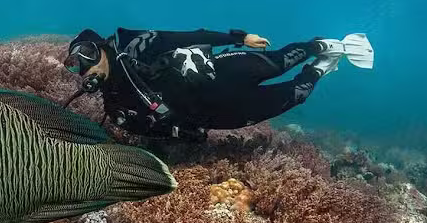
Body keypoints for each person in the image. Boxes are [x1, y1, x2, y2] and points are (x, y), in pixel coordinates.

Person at [62, 27, 374, 141]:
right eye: (77, 64)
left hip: (223, 70)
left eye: (88, 54)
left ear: (102, 47)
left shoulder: (136, 48)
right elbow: (161, 132)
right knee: (298, 94)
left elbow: (184, 37)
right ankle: (320, 68)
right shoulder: (115, 107)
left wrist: (237, 37)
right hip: (223, 115)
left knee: (280, 61)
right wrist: (178, 133)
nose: (86, 67)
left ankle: (316, 46)